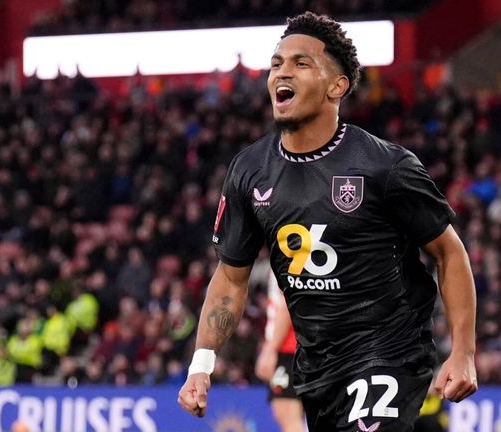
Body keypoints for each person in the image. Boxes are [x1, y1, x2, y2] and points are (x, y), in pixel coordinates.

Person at [178, 12, 478, 431]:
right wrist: (201, 364)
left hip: (388, 353)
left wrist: (464, 350)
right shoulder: (250, 171)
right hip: (317, 366)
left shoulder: (385, 167)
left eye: (301, 63)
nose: (282, 72)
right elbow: (230, 279)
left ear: (337, 86)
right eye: (277, 63)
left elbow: (449, 252)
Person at [255, 272, 305, 432]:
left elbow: (286, 305)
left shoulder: (283, 260)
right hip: (304, 346)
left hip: (288, 350)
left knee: (288, 417)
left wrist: (270, 350)